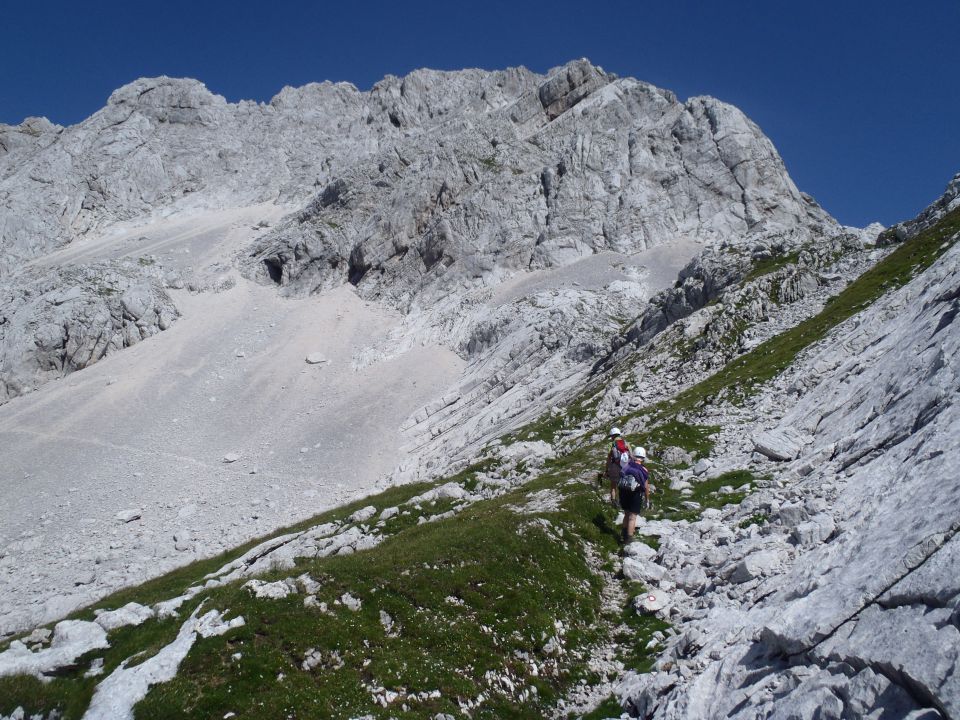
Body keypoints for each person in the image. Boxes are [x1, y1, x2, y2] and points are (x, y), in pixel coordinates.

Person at [618, 446, 651, 543]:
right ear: (643, 458)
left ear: (634, 455)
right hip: (635, 494)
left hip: (624, 492)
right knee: (632, 517)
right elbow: (646, 486)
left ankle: (622, 536)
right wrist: (647, 499)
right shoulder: (644, 470)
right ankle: (629, 540)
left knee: (626, 514)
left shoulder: (627, 465)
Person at [603, 427, 630, 506]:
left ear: (612, 436)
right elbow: (631, 455)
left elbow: (609, 458)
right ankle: (624, 501)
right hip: (625, 467)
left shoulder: (611, 444)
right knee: (624, 485)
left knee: (613, 485)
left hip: (615, 466)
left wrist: (607, 470)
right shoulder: (626, 442)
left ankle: (614, 501)